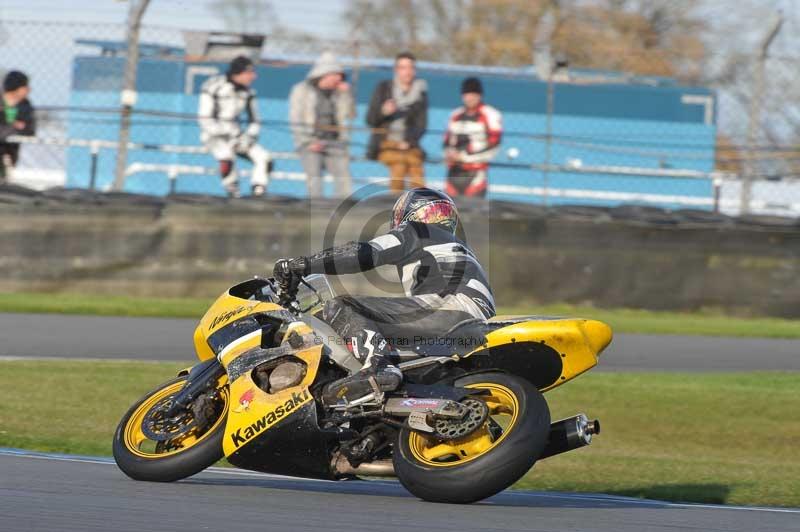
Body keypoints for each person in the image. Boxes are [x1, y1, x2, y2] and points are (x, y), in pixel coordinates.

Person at [273, 187, 495, 406]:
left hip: (450, 310)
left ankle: (377, 368)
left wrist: (302, 265)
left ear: (408, 213)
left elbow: (363, 254)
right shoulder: (456, 247)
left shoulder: (417, 231)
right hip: (474, 321)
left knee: (343, 305)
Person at [198, 56, 271, 198]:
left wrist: (249, 137)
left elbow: (254, 120)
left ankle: (258, 193)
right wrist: (225, 133)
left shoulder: (249, 93)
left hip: (238, 136)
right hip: (213, 136)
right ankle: (233, 192)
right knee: (226, 156)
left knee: (264, 158)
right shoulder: (213, 87)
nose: (254, 77)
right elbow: (205, 118)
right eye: (249, 73)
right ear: (237, 73)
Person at [289, 51, 355, 199]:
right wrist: (308, 141)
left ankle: (343, 210)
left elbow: (349, 115)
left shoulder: (338, 93)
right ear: (325, 74)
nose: (339, 80)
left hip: (335, 141)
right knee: (314, 177)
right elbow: (295, 118)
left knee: (343, 176)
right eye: (336, 76)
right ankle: (316, 208)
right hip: (310, 141)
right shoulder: (301, 90)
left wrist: (345, 95)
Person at [365, 52, 428, 194]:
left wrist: (409, 142)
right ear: (396, 70)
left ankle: (420, 206)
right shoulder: (384, 89)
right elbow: (370, 120)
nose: (407, 72)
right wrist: (384, 112)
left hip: (409, 145)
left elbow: (421, 124)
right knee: (399, 165)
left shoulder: (420, 92)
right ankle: (395, 205)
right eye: (403, 68)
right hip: (386, 143)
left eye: (410, 68)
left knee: (416, 168)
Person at [443, 77, 503, 198]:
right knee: (449, 215)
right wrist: (449, 154)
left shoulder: (491, 114)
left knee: (473, 214)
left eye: (473, 94)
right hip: (453, 173)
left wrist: (465, 157)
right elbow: (446, 142)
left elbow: (494, 146)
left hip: (475, 174)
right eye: (466, 94)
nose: (469, 97)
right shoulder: (455, 115)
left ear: (480, 95)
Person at [0, 71, 36, 183]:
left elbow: (29, 129)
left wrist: (10, 126)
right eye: (24, 86)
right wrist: (14, 125)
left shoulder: (25, 105)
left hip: (11, 149)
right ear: (15, 87)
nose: (28, 89)